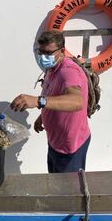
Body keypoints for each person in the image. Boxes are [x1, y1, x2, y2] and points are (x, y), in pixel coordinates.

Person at [10, 30, 90, 173]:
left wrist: (38, 101)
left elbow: (78, 101)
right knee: (55, 183)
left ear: (62, 51)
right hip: (55, 142)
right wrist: (43, 117)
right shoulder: (51, 68)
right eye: (40, 52)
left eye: (48, 53)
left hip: (70, 147)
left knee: (67, 191)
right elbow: (54, 95)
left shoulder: (68, 71)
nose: (43, 56)